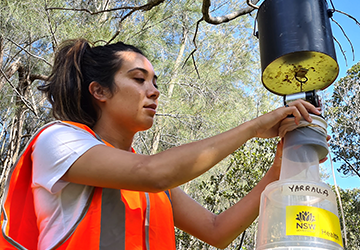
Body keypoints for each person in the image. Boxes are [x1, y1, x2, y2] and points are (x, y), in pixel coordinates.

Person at [0, 39, 321, 250]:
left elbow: (217, 230)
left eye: (155, 82)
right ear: (99, 91)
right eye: (139, 79)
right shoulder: (58, 140)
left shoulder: (148, 177)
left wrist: (277, 169)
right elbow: (153, 173)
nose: (153, 91)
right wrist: (253, 127)